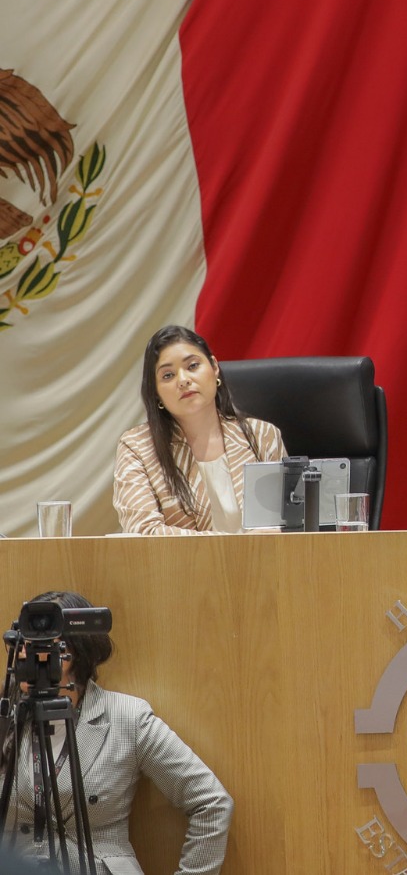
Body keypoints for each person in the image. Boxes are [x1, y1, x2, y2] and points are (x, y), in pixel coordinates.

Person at [1, 592, 232, 873]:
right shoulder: (6, 718)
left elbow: (212, 803)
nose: (26, 654)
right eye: (24, 642)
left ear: (73, 651)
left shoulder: (127, 717)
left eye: (43, 643)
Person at [112, 325, 286, 535]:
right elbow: (144, 533)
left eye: (193, 366)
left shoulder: (262, 436)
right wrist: (236, 546)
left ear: (214, 367)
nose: (183, 380)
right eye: (168, 375)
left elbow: (290, 523)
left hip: (263, 557)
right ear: (156, 392)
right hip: (187, 561)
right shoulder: (137, 448)